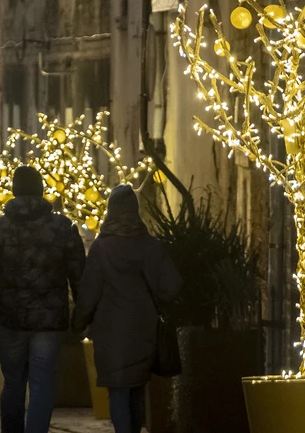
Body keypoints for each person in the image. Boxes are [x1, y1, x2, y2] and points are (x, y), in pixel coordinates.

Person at [0, 165, 86, 433]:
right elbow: (79, 273)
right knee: (42, 383)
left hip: (11, 320)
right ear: (41, 189)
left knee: (13, 383)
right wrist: (81, 311)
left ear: (14, 190)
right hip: (49, 321)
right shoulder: (62, 227)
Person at [73, 185, 182, 433]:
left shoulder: (102, 248)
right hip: (145, 327)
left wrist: (79, 323)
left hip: (111, 331)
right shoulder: (151, 246)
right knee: (136, 388)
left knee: (118, 391)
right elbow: (172, 285)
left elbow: (89, 292)